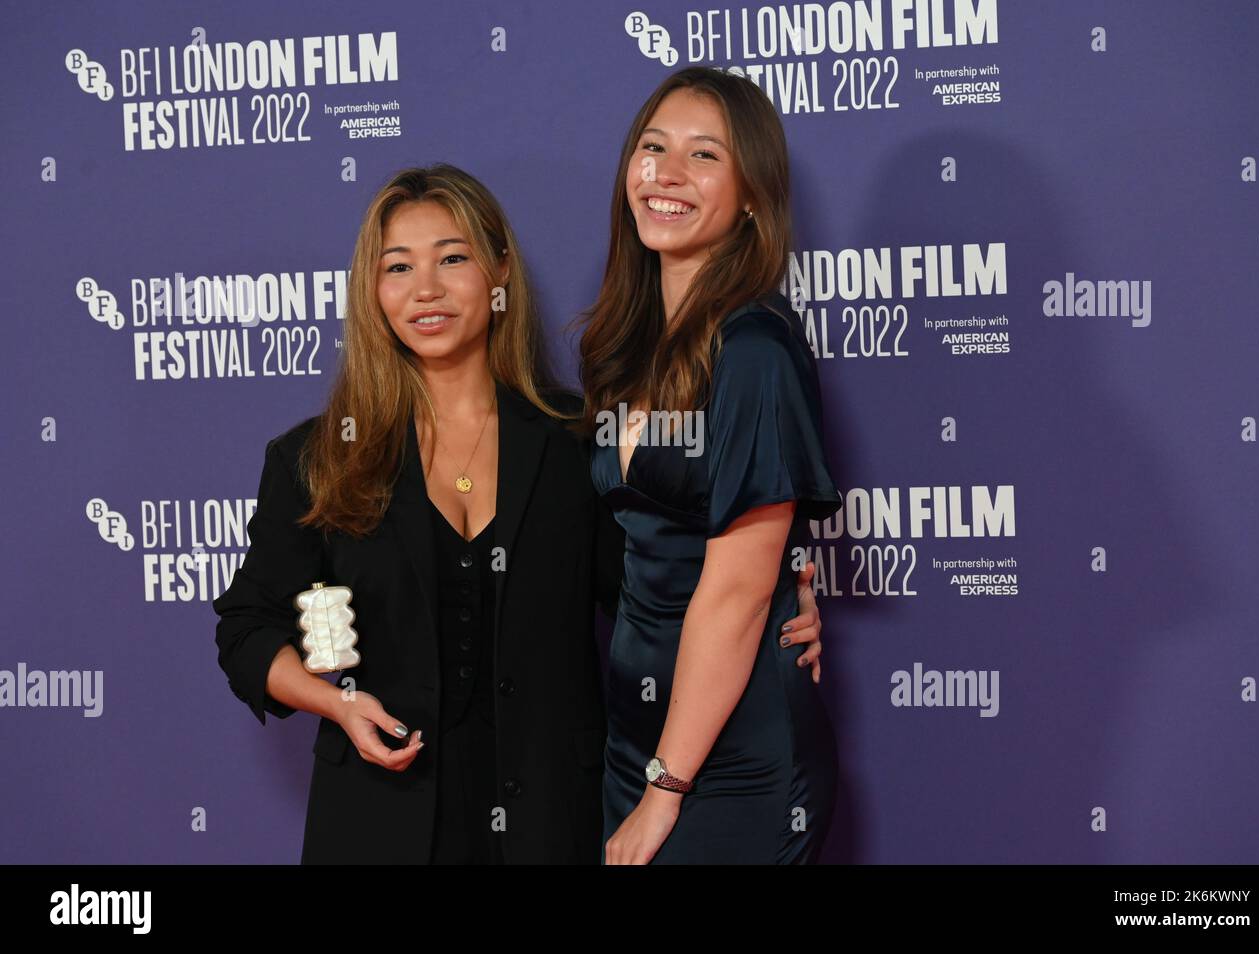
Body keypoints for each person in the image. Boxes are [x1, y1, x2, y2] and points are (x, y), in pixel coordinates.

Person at [213, 163, 829, 864]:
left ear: (500, 270)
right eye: (398, 267)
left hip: (551, 827)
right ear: (372, 290)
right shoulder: (318, 457)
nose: (426, 290)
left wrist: (781, 603)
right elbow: (246, 628)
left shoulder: (576, 441)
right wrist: (336, 704)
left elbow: (653, 593)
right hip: (376, 827)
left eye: (453, 258)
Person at [579, 68, 843, 864]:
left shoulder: (754, 351)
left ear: (753, 194)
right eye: (652, 148)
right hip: (640, 740)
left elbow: (734, 593)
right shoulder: (628, 344)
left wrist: (666, 793)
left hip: (726, 761)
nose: (665, 173)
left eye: (703, 156)